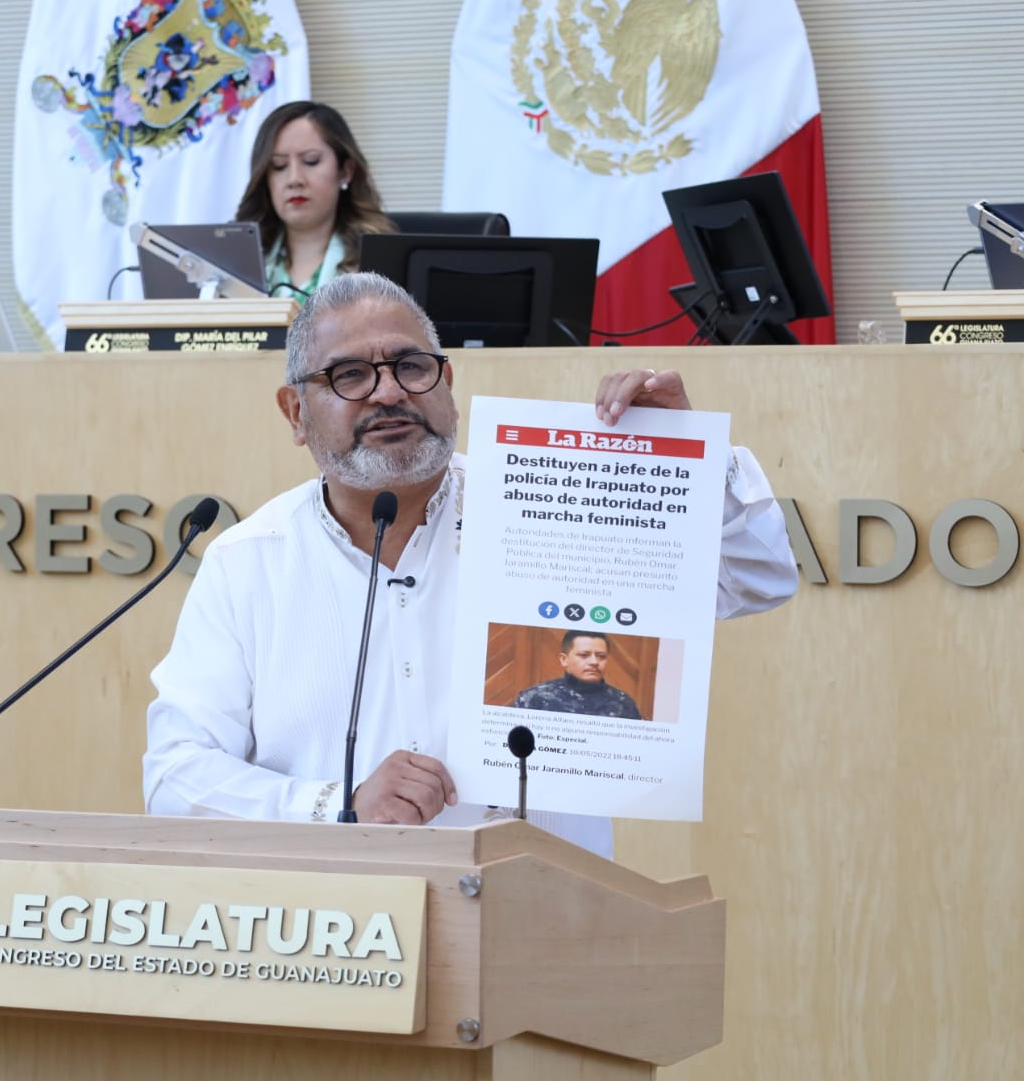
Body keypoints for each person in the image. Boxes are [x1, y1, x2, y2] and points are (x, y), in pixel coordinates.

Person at [143, 272, 799, 857]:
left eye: (411, 366)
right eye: (349, 376)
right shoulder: (248, 563)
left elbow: (758, 580)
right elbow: (175, 776)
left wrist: (691, 463)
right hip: (336, 939)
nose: (388, 392)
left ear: (447, 382)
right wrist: (332, 806)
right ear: (295, 412)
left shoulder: (557, 505)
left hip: (542, 928)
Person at [234, 101, 395, 302]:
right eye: (279, 166)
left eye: (311, 161)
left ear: (346, 171)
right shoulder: (236, 263)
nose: (294, 179)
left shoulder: (381, 264)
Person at [513, 631, 643, 720]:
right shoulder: (535, 698)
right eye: (584, 655)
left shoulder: (623, 703)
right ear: (564, 659)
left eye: (601, 656)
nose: (594, 662)